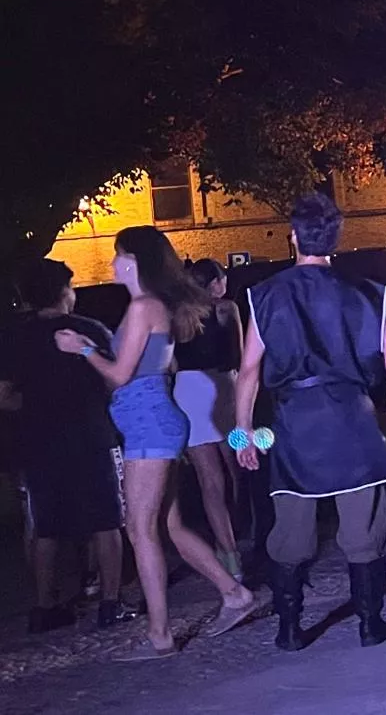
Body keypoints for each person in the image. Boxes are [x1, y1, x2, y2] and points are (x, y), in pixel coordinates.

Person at [54, 228, 254, 659]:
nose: (112, 264)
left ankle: (161, 635)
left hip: (148, 424)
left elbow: (121, 374)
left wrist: (82, 350)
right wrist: (93, 347)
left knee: (140, 530)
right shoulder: (147, 307)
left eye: (118, 256)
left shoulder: (144, 306)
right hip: (152, 419)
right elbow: (146, 363)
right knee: (168, 525)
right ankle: (233, 593)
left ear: (136, 261)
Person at [230, 197, 386, 650]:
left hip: (295, 421)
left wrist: (241, 434)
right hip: (351, 415)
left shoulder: (266, 294)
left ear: (293, 237)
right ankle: (370, 623)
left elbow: (249, 370)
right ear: (335, 239)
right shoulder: (364, 289)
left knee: (290, 528)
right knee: (363, 525)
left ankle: (289, 629)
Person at [0, 258, 132, 633]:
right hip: (92, 435)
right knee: (107, 521)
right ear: (65, 292)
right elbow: (114, 379)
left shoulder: (13, 337)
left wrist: (35, 406)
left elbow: (3, 395)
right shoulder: (89, 330)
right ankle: (111, 602)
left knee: (47, 527)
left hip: (40, 440)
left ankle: (44, 607)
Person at [173, 259, 244, 583]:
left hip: (188, 390)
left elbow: (170, 364)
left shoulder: (177, 314)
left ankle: (229, 554)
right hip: (223, 386)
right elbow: (241, 357)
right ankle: (251, 532)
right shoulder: (226, 308)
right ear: (215, 282)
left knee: (209, 480)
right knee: (239, 464)